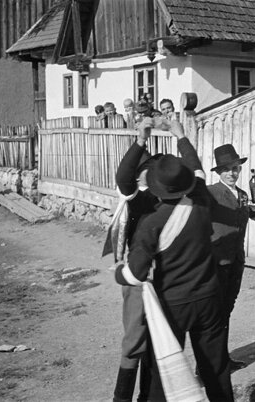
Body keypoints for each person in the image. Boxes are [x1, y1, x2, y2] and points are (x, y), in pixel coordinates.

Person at [116, 120, 233, 402]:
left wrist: (119, 272)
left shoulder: (151, 224)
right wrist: (180, 135)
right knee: (216, 369)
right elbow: (197, 168)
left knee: (162, 374)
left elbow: (134, 274)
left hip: (171, 305)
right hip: (208, 297)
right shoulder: (203, 201)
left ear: (157, 188)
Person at [103, 118, 159, 402]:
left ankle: (147, 396)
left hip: (164, 279)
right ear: (141, 175)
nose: (154, 172)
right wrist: (140, 141)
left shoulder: (168, 197)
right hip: (139, 278)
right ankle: (121, 398)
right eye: (148, 169)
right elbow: (123, 176)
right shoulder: (135, 198)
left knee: (157, 342)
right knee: (135, 340)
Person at [207, 144, 255, 371]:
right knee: (213, 314)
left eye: (235, 168)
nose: (232, 173)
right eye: (227, 169)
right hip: (216, 263)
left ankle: (222, 360)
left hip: (236, 262)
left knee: (227, 309)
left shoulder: (242, 195)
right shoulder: (210, 193)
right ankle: (206, 367)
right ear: (218, 172)